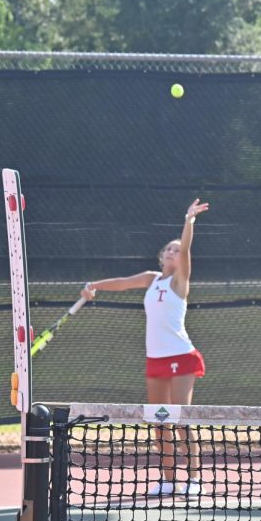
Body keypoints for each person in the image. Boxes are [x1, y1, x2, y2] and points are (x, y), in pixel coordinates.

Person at [81, 199, 210, 496]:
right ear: (161, 256)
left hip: (181, 356)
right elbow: (124, 283)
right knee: (159, 420)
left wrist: (188, 221)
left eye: (177, 250)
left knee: (181, 419)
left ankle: (193, 480)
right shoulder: (152, 279)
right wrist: (94, 285)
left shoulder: (180, 281)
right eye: (169, 249)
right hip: (156, 359)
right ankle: (167, 479)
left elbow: (187, 248)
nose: (173, 252)